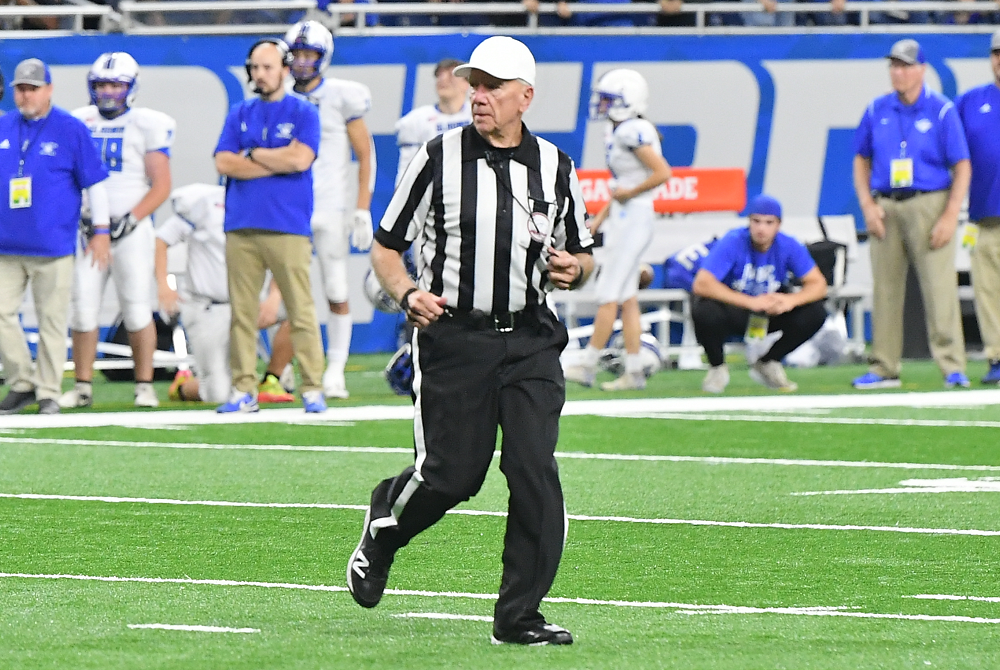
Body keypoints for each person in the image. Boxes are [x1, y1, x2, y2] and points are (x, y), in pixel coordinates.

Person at [346, 36, 594, 647]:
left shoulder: (557, 166)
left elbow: (585, 253)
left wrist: (576, 269)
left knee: (534, 468)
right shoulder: (436, 157)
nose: (478, 97)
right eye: (475, 85)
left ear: (525, 97)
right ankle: (385, 524)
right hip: (457, 338)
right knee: (453, 477)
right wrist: (408, 295)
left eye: (492, 87)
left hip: (532, 337)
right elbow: (386, 246)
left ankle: (518, 617)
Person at [213, 38, 326, 414]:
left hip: (288, 225)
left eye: (267, 67)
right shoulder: (239, 111)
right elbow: (225, 163)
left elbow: (300, 159)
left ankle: (312, 387)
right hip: (241, 225)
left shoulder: (304, 111)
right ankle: (243, 389)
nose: (259, 74)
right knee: (242, 314)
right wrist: (274, 160)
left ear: (284, 69)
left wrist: (254, 155)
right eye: (255, 68)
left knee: (301, 311)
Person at [852, 39, 971, 390]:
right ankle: (884, 366)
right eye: (894, 66)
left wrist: (951, 214)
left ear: (921, 69)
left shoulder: (941, 109)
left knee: (939, 287)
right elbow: (861, 158)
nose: (898, 72)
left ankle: (952, 366)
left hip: (929, 202)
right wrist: (867, 205)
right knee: (886, 289)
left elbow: (962, 165)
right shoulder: (877, 109)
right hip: (886, 204)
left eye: (905, 66)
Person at [58, 52, 174, 410]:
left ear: (131, 87)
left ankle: (144, 385)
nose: (108, 92)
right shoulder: (78, 121)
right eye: (102, 85)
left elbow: (162, 184)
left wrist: (131, 218)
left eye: (115, 85)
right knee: (82, 310)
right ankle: (82, 387)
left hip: (132, 229)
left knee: (138, 310)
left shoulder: (146, 124)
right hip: (90, 230)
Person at [0, 58, 110, 415]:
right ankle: (22, 381)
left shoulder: (70, 128)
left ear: (48, 90)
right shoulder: (5, 126)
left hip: (53, 244)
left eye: (32, 88)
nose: (26, 95)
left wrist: (102, 230)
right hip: (7, 244)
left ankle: (47, 390)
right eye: (20, 88)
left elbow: (95, 182)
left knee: (52, 321)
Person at [284, 20, 375, 400]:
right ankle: (292, 366)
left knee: (336, 288)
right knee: (292, 295)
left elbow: (365, 154)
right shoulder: (279, 95)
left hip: (331, 206)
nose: (304, 62)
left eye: (311, 55)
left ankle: (335, 369)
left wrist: (362, 208)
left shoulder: (341, 96)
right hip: (289, 207)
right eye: (299, 54)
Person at [563, 69, 670, 391]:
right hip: (628, 216)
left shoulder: (630, 131)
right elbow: (624, 185)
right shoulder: (627, 129)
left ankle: (588, 364)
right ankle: (635, 370)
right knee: (627, 297)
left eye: (609, 100)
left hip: (634, 217)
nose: (603, 105)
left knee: (608, 292)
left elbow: (662, 173)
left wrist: (628, 195)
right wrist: (600, 219)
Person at [690, 194, 828, 394]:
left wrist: (790, 300)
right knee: (704, 309)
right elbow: (702, 283)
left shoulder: (788, 245)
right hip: (738, 309)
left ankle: (768, 362)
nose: (761, 228)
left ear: (778, 225)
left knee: (816, 312)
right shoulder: (733, 240)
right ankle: (717, 367)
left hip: (770, 310)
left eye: (768, 223)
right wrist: (749, 302)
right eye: (756, 221)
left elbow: (818, 284)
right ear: (749, 222)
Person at [955, 30, 1000, 385]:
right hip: (984, 216)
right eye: (997, 54)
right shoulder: (970, 102)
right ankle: (997, 357)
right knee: (987, 292)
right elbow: (951, 155)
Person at [394, 57, 471, 186]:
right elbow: (407, 169)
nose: (443, 79)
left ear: (467, 83)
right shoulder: (417, 120)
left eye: (451, 75)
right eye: (439, 75)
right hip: (434, 191)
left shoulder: (479, 114)